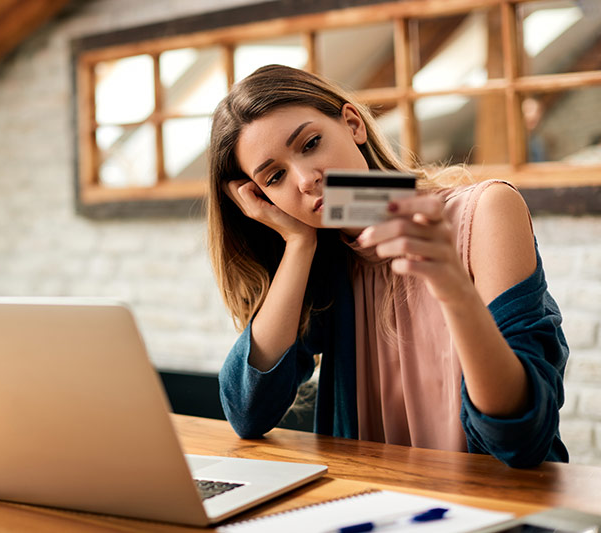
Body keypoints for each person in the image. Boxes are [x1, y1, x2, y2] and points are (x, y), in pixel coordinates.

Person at [207, 64, 569, 468]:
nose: (307, 180)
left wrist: (454, 290)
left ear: (352, 124)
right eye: (275, 177)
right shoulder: (327, 257)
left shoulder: (485, 210)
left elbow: (521, 439)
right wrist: (298, 242)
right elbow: (246, 413)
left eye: (310, 144)